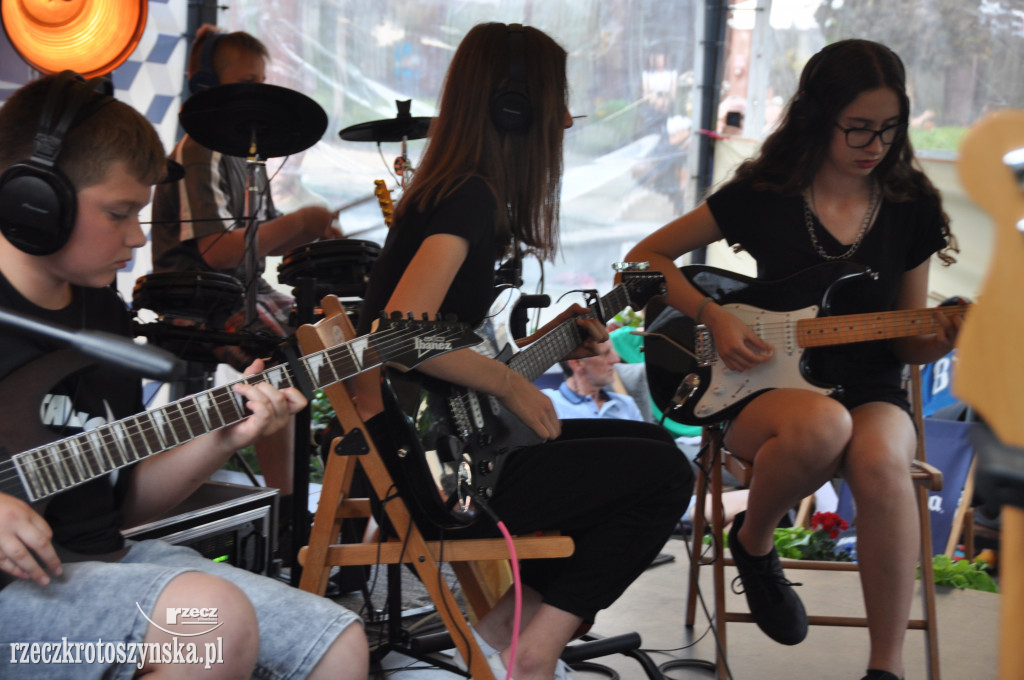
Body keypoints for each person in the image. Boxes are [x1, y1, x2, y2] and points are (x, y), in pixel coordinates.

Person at [347, 23, 692, 680]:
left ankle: (500, 643)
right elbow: (397, 332)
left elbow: (440, 343)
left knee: (648, 455)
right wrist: (509, 386)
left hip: (428, 454)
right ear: (514, 109)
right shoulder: (468, 197)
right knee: (665, 476)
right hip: (434, 474)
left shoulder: (457, 191)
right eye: (555, 100)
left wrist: (549, 346)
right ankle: (534, 654)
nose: (565, 119)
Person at [0, 72, 367, 679]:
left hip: (93, 566)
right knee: (208, 624)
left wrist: (225, 437)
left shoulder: (105, 319)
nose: (138, 236)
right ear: (36, 201)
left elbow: (122, 508)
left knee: (336, 643)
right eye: (119, 213)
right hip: (15, 599)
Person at [626, 39, 960, 680]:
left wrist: (943, 336)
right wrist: (714, 315)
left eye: (889, 130)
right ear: (816, 116)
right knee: (822, 428)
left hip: (869, 382)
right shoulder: (765, 193)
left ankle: (885, 668)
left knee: (883, 460)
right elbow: (645, 260)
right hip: (759, 382)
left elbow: (909, 342)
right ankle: (754, 538)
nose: (875, 145)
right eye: (859, 128)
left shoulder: (911, 206)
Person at [151, 25, 341, 526]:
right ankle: (286, 511)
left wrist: (318, 234)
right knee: (280, 355)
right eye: (245, 81)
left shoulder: (250, 158)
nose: (257, 94)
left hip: (246, 290)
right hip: (196, 296)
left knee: (325, 335)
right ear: (208, 85)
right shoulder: (199, 150)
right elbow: (216, 252)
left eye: (262, 81)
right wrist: (300, 221)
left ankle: (317, 489)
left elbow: (270, 239)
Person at [542, 340, 644, 421]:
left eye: (612, 350)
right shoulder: (548, 405)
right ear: (577, 363)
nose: (615, 359)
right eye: (605, 353)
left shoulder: (625, 403)